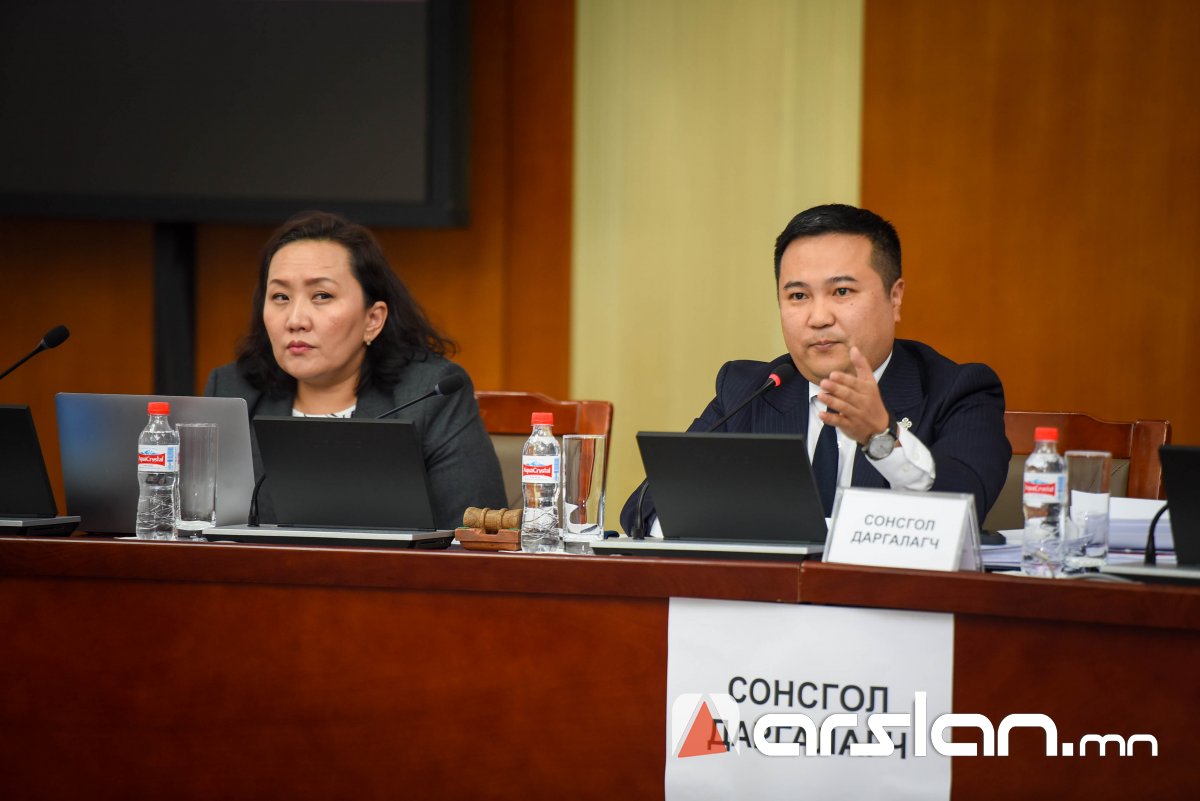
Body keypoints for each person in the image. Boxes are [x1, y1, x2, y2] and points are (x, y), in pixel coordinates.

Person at [621, 203, 1010, 535]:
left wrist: (881, 437)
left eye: (841, 291)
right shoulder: (750, 390)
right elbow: (644, 509)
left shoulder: (959, 391)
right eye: (798, 295)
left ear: (895, 298)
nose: (818, 317)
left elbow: (960, 515)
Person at [205, 210, 506, 529]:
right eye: (280, 296)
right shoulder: (232, 392)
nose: (295, 320)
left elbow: (478, 535)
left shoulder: (429, 396)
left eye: (322, 296)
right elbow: (195, 525)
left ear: (372, 320)